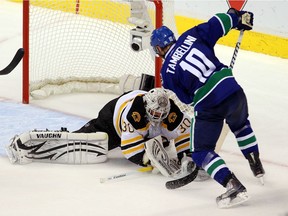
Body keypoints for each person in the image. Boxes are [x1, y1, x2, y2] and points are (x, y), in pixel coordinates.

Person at [150, 8, 265, 208]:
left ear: (159, 48)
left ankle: (233, 185)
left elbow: (187, 98)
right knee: (241, 126)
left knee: (201, 151)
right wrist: (236, 17)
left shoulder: (165, 73)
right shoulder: (191, 35)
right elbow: (218, 22)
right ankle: (256, 164)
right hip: (231, 87)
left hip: (207, 102)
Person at [6, 88, 206, 179]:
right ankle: (48, 141)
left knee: (164, 136)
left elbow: (184, 136)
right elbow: (131, 150)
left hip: (142, 126)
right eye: (153, 113)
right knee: (95, 141)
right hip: (112, 118)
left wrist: (187, 157)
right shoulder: (133, 115)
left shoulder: (171, 113)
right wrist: (151, 162)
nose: (157, 117)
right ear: (146, 108)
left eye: (160, 114)